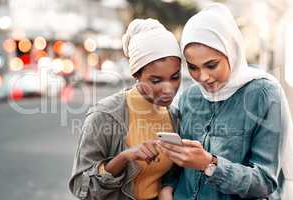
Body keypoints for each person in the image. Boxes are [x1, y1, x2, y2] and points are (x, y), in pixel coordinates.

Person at [158, 3, 293, 200]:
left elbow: (265, 182)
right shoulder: (190, 97)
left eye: (211, 65)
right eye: (193, 67)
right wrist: (167, 187)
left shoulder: (264, 94)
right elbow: (177, 162)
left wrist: (209, 164)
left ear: (232, 52)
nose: (202, 77)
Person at [68, 18, 182, 200]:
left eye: (175, 77)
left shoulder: (175, 116)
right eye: (156, 81)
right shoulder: (104, 115)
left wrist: (167, 189)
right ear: (136, 74)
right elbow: (81, 187)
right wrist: (123, 158)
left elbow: (175, 173)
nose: (168, 89)